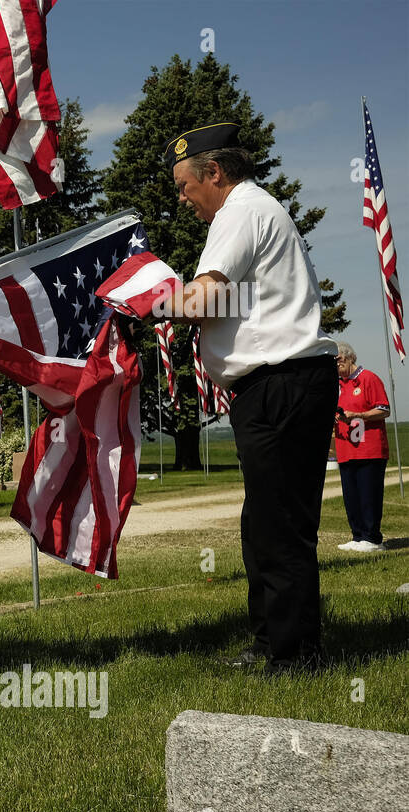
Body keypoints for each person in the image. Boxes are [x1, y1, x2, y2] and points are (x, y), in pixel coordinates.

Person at [161, 122, 337, 673]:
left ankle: (294, 655)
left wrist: (149, 300)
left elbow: (205, 300)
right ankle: (271, 640)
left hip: (278, 383)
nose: (184, 201)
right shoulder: (259, 210)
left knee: (279, 524)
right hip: (282, 383)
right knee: (265, 520)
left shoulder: (240, 211)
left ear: (214, 172)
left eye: (185, 187)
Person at [334, 341, 391, 552]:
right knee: (351, 497)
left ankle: (373, 538)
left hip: (369, 449)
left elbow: (384, 410)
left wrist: (359, 415)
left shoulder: (369, 378)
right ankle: (358, 536)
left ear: (349, 357)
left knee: (369, 495)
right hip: (346, 450)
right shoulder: (338, 386)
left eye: (337, 360)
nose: (336, 365)